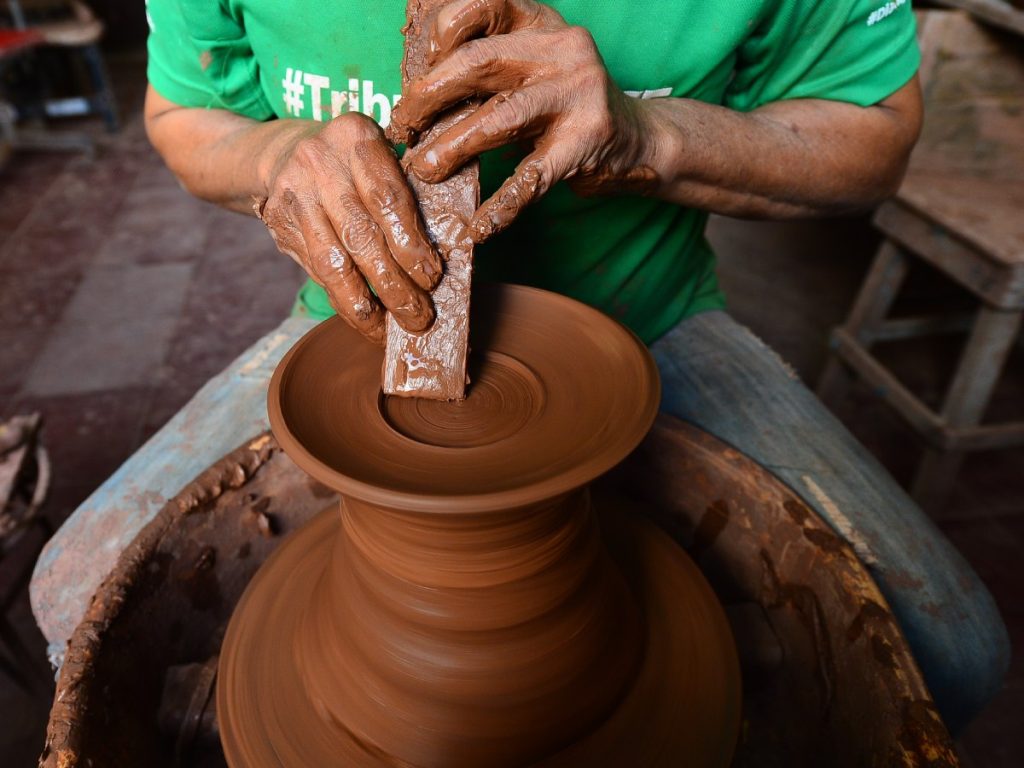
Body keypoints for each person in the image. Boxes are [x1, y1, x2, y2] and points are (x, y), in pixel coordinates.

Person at [33, 0, 1005, 733]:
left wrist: (652, 133)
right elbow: (186, 115)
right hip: (358, 317)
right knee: (73, 592)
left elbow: (868, 140)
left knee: (948, 654)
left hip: (649, 310)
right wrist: (279, 153)